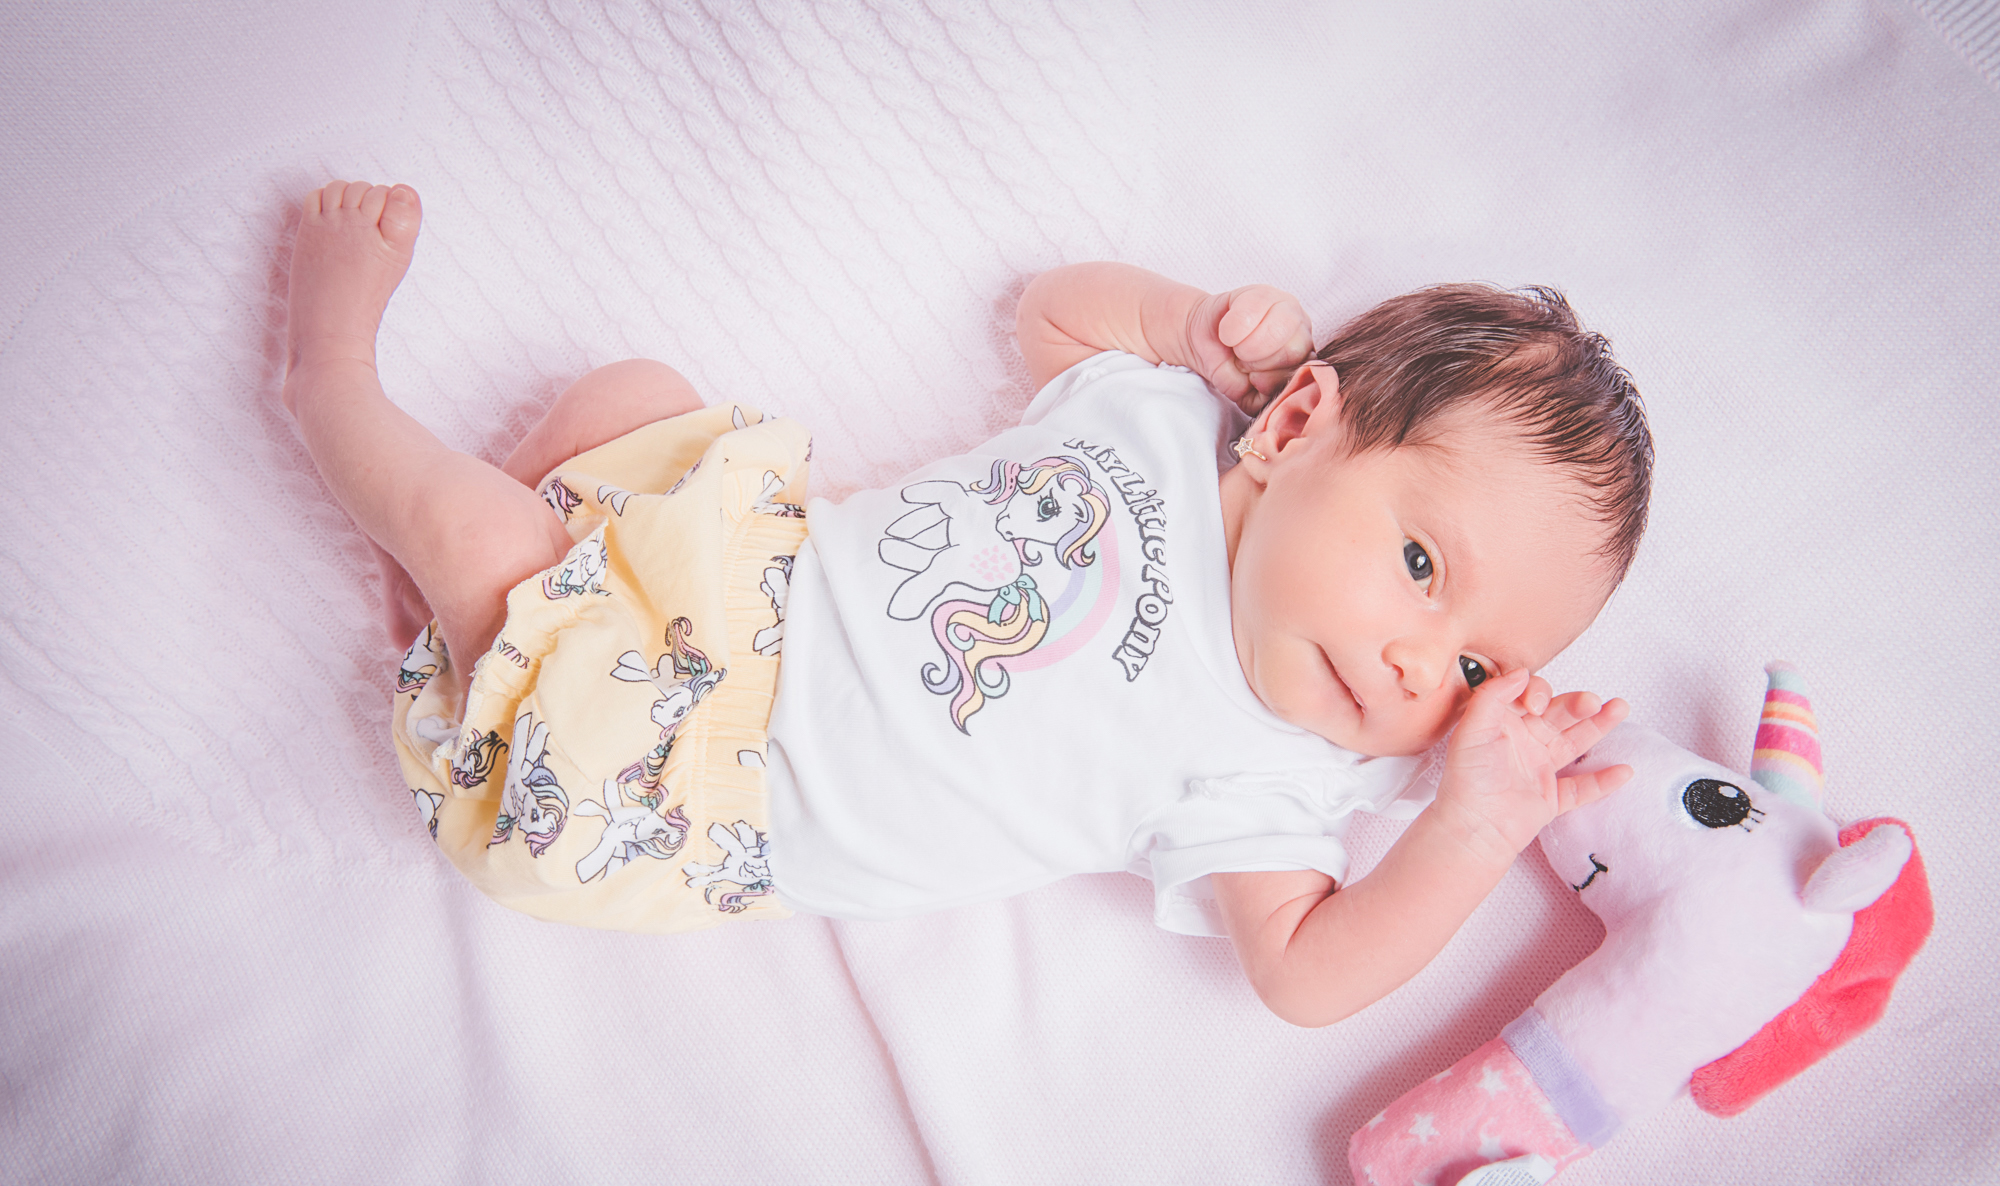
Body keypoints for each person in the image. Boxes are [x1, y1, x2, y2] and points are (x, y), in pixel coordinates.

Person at [283, 180, 1650, 1026]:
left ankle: (332, 381)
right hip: (740, 575)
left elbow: (1305, 977)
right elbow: (1052, 316)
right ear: (1297, 424)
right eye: (1423, 570)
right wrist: (1187, 323)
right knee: (632, 400)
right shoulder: (1168, 421)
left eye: (1480, 673)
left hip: (682, 791)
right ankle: (473, 625)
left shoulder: (1268, 774)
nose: (1423, 668)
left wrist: (1471, 826)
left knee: (485, 533)